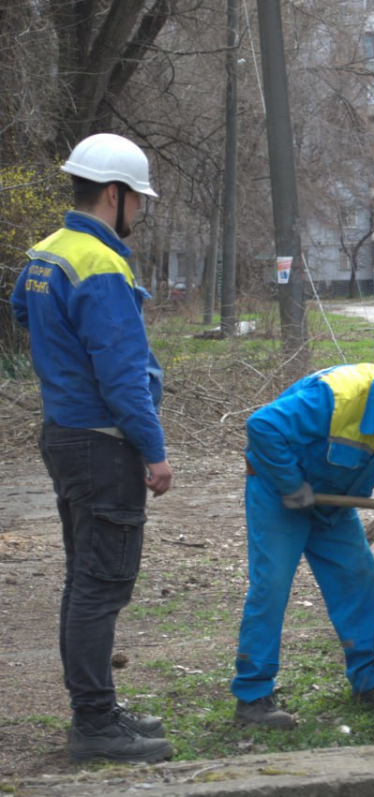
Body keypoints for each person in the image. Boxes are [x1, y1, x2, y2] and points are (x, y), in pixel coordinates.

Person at [11, 133, 174, 764]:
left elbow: (22, 314)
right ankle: (94, 725)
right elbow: (123, 374)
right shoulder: (102, 265)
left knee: (86, 580)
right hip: (102, 444)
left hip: (63, 434)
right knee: (101, 584)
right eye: (139, 201)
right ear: (115, 194)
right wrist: (154, 452)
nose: (141, 213)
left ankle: (98, 710)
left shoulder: (47, 253)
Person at [231, 332, 374, 727]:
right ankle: (253, 697)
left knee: (358, 583)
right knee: (271, 588)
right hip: (281, 499)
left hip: (334, 505)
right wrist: (291, 485)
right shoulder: (335, 396)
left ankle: (371, 683)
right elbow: (262, 426)